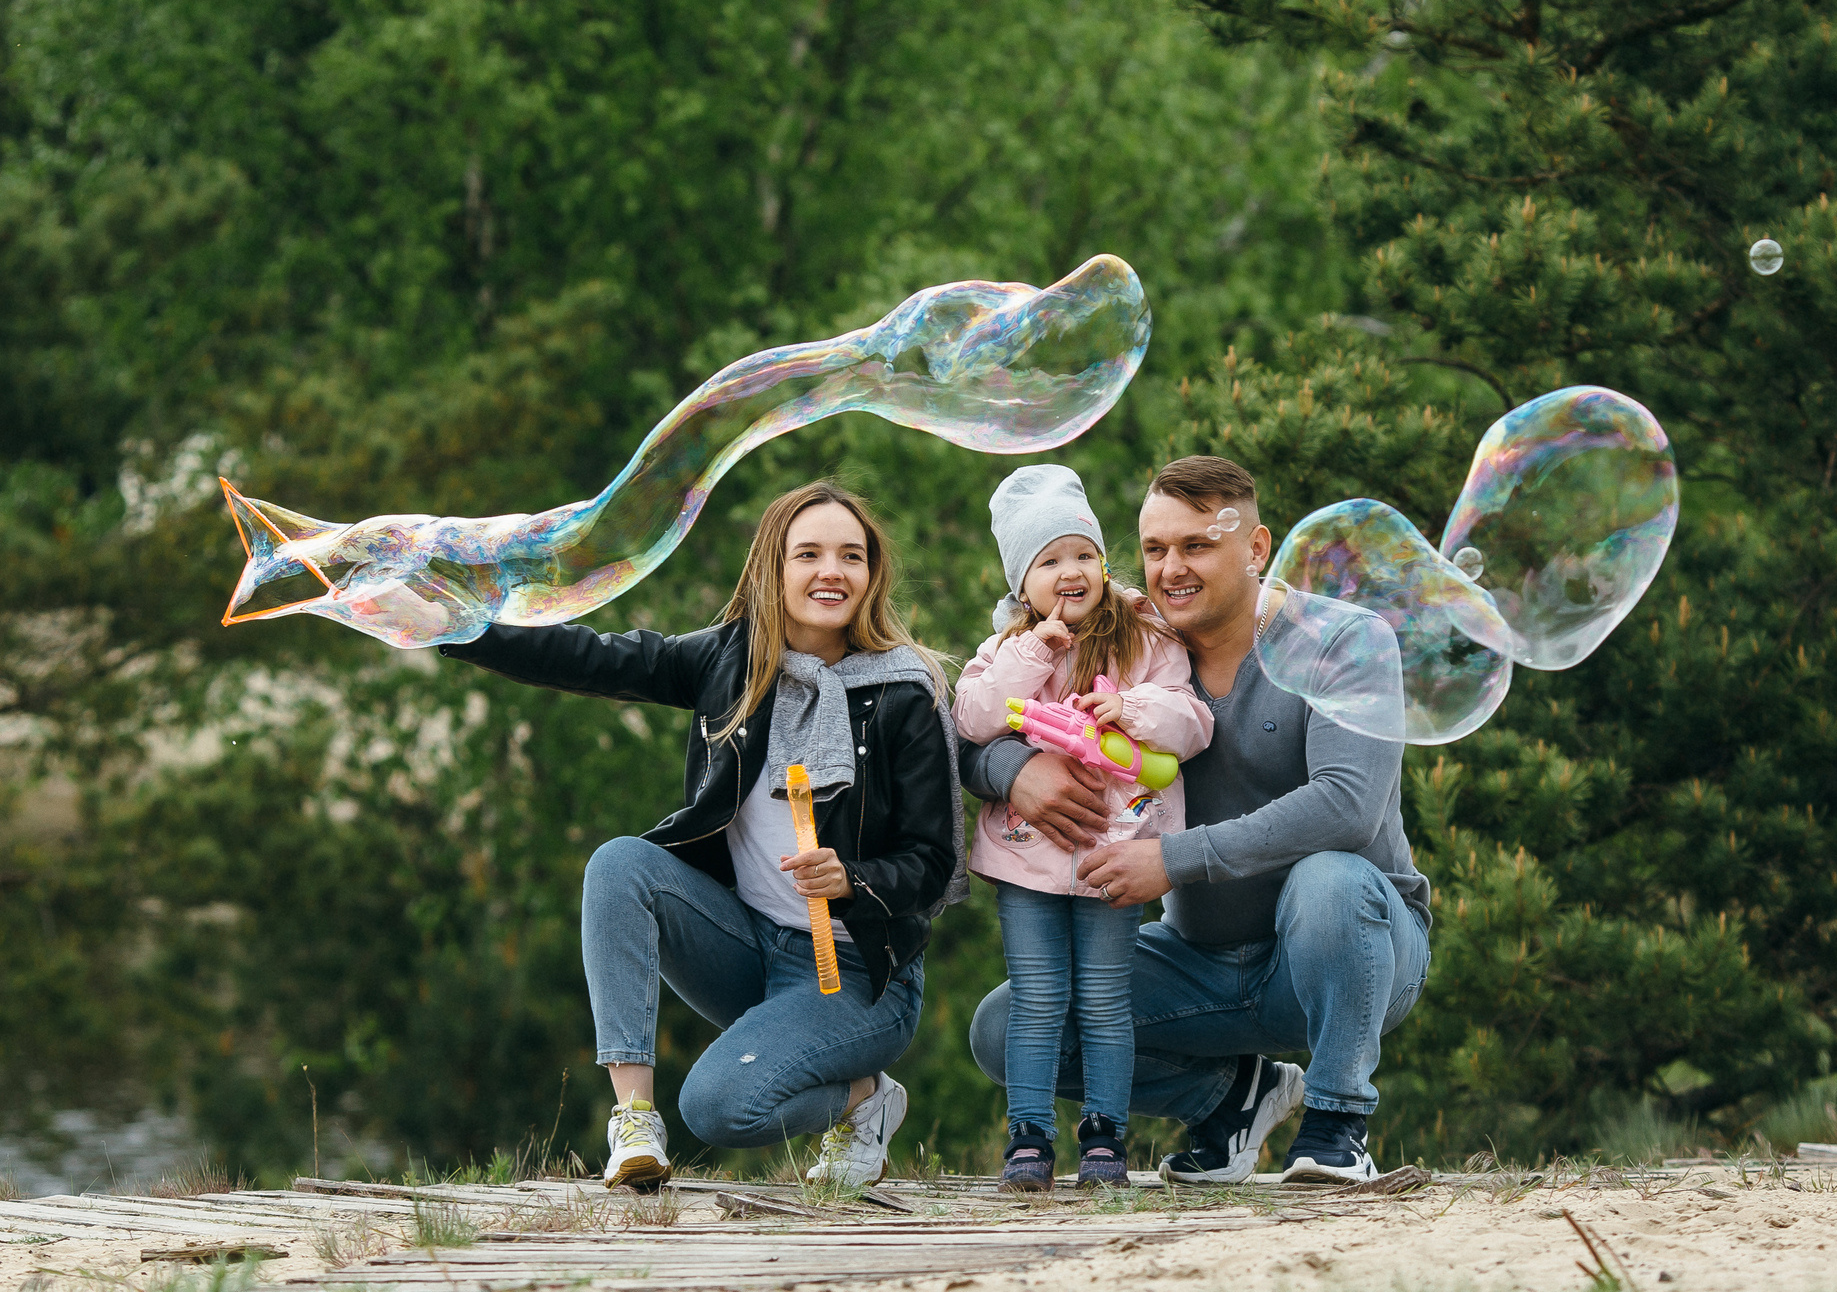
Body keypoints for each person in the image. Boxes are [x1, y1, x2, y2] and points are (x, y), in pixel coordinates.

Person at [438, 480, 966, 1190]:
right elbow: (591, 657)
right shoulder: (731, 661)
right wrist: (451, 627)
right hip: (749, 944)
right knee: (620, 865)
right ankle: (632, 1121)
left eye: (851, 556)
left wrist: (855, 879)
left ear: (873, 575)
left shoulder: (905, 692)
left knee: (719, 1108)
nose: (830, 572)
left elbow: (934, 863)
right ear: (772, 570)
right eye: (807, 554)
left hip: (859, 976)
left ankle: (865, 1099)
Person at [961, 455, 1431, 1185]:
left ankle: (1339, 1121)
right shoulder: (1127, 637)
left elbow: (1348, 804)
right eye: (1154, 549)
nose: (1170, 569)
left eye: (1196, 546)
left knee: (1331, 882)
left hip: (1348, 948)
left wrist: (1174, 859)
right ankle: (1230, 1100)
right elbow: (974, 721)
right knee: (1003, 1027)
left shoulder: (1344, 640)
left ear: (1257, 547)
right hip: (1199, 960)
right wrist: (1013, 772)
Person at [952, 465, 1214, 1192]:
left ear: (1101, 561)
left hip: (1116, 855)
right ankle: (1029, 1137)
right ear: (1022, 582)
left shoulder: (1146, 637)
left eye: (1081, 554)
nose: (1070, 571)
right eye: (1049, 560)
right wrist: (1037, 647)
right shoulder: (1010, 646)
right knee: (1036, 1000)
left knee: (1103, 1000)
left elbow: (1192, 723)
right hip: (1027, 860)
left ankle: (1105, 1136)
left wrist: (1129, 712)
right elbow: (972, 717)